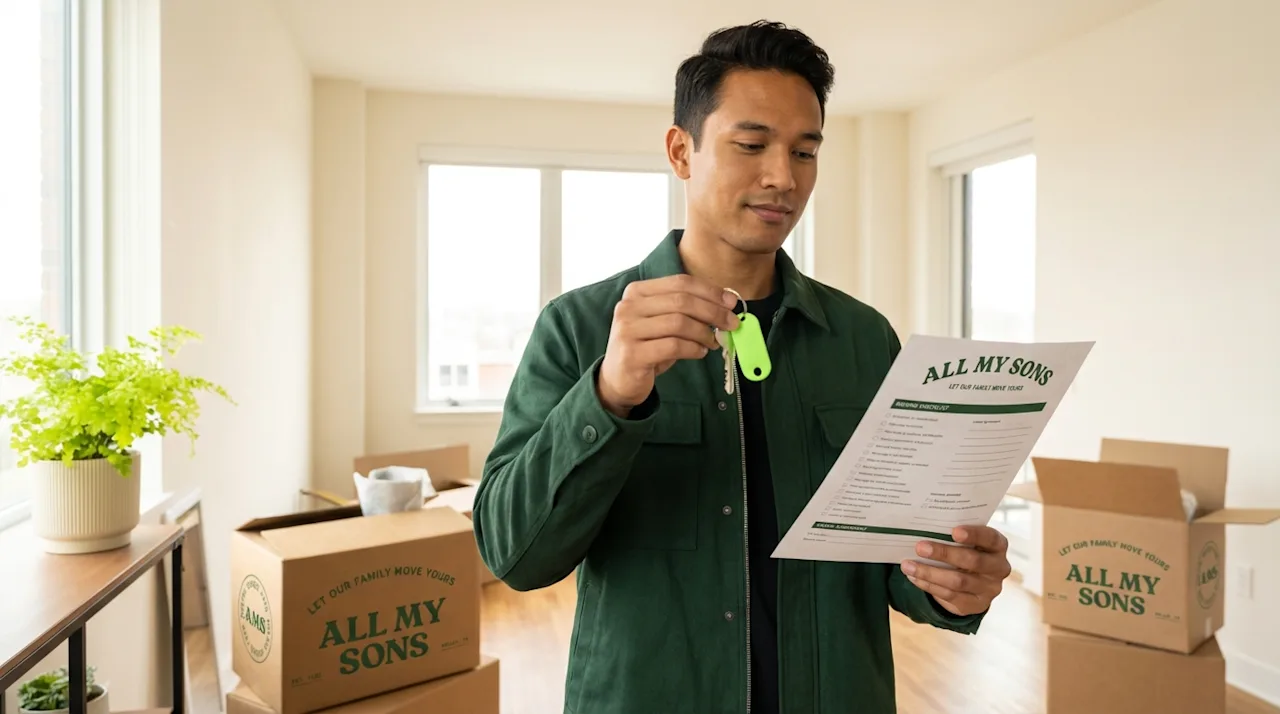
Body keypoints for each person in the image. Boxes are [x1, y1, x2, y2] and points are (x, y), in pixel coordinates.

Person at [472, 20, 1012, 714]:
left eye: (805, 151)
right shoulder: (579, 327)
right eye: (751, 145)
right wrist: (610, 394)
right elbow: (515, 558)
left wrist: (951, 583)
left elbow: (891, 563)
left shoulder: (862, 338)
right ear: (681, 151)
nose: (783, 177)